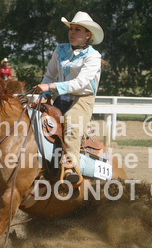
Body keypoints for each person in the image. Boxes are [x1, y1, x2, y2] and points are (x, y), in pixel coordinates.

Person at [34, 11, 104, 186]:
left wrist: (51, 87)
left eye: (77, 29)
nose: (72, 32)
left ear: (88, 35)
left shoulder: (93, 56)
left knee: (72, 125)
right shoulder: (60, 49)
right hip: (61, 97)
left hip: (83, 99)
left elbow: (81, 83)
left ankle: (71, 169)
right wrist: (43, 95)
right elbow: (49, 75)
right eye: (71, 29)